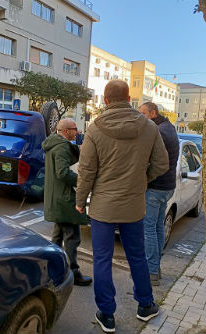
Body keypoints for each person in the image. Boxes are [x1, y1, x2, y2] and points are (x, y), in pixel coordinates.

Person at [75, 80, 169, 333]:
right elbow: (161, 165)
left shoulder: (94, 129)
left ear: (105, 101)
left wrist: (80, 200)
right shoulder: (150, 127)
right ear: (129, 99)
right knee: (137, 257)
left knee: (102, 260)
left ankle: (106, 315)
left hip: (102, 208)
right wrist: (140, 180)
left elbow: (86, 171)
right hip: (133, 205)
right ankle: (145, 306)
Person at [42, 118, 92, 286]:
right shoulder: (62, 147)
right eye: (74, 129)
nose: (77, 131)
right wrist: (83, 181)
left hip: (56, 198)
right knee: (72, 236)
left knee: (57, 237)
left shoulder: (54, 144)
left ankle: (51, 269)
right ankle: (73, 272)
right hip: (64, 199)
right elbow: (63, 173)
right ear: (65, 131)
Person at [139, 102, 179, 286]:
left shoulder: (158, 131)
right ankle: (156, 266)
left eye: (143, 113)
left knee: (149, 228)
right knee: (157, 227)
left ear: (153, 113)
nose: (141, 117)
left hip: (156, 186)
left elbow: (149, 159)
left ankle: (151, 271)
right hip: (167, 186)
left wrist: (145, 178)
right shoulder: (168, 127)